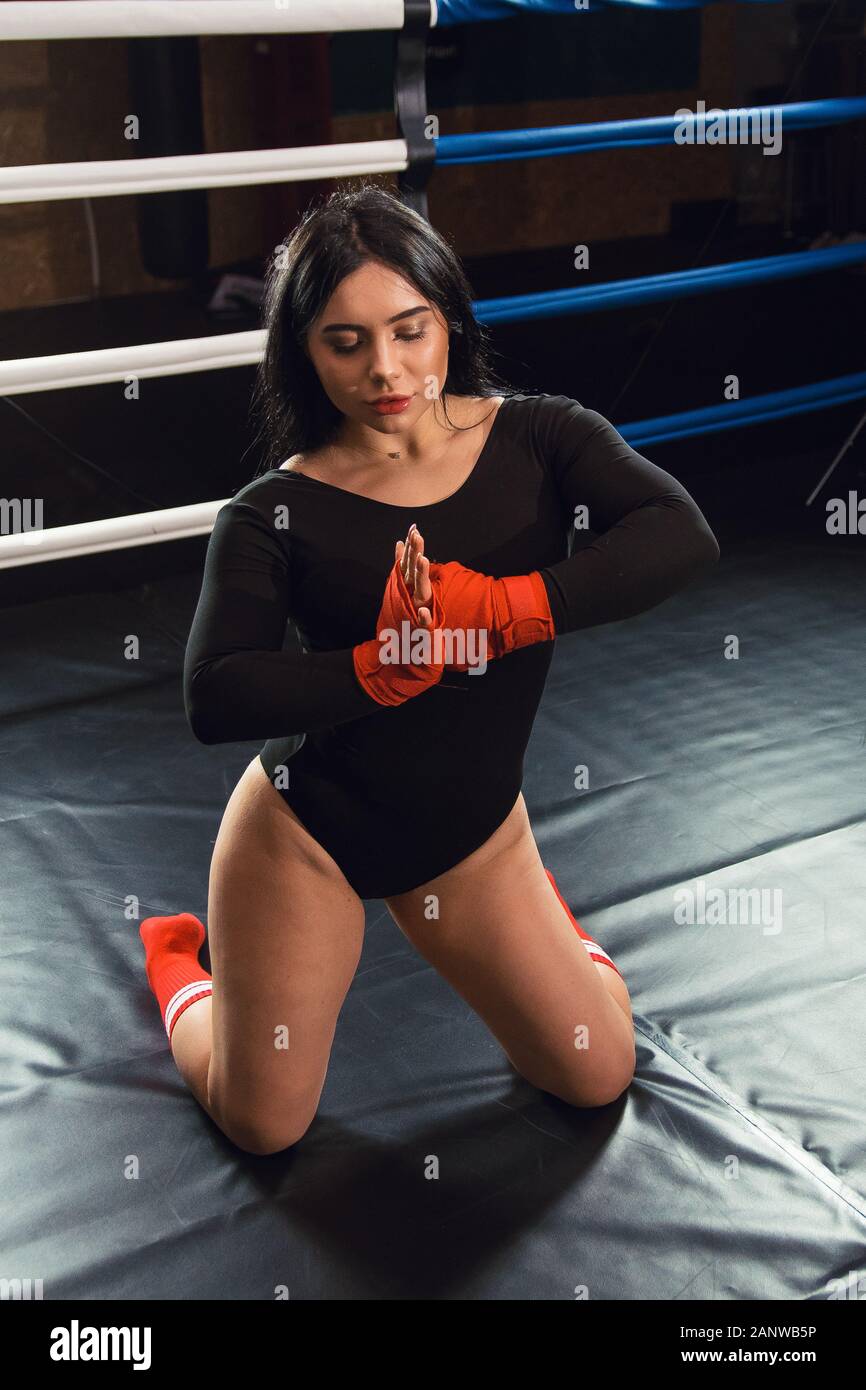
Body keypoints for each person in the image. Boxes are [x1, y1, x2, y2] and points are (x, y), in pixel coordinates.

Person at [139, 184, 720, 1156]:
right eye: (345, 342)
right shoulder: (269, 511)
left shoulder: (540, 435)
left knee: (594, 1072)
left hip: (476, 834)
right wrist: (376, 670)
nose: (385, 369)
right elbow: (215, 692)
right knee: (263, 1123)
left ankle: (553, 932)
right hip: (308, 838)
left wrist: (500, 610)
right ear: (303, 351)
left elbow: (680, 535)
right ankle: (173, 958)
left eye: (409, 330)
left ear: (446, 317)